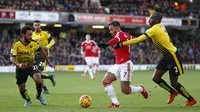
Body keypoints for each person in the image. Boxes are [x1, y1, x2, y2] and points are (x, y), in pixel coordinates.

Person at [113, 12, 197, 106]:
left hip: (173, 57)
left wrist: (122, 44)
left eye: (151, 18)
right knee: (156, 78)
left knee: (174, 83)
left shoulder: (154, 29)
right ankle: (173, 92)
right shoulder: (160, 27)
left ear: (156, 20)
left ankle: (191, 99)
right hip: (166, 57)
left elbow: (139, 39)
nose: (149, 20)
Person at [98, 21, 148, 108]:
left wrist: (107, 44)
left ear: (117, 28)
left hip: (126, 65)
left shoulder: (120, 34)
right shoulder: (126, 35)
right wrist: (142, 39)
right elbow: (136, 39)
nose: (110, 32)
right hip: (117, 65)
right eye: (109, 30)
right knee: (106, 81)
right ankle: (115, 103)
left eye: (111, 30)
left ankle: (140, 89)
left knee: (125, 90)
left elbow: (116, 40)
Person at [10, 25, 55, 106]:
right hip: (21, 68)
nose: (31, 36)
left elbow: (42, 52)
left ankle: (39, 95)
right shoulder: (16, 44)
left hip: (32, 65)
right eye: (29, 35)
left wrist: (48, 62)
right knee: (21, 88)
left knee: (39, 80)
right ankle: (28, 99)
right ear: (23, 35)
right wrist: (18, 64)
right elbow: (12, 58)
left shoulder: (34, 43)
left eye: (31, 34)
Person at [32, 20, 56, 94]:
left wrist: (47, 46)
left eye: (38, 25)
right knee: (35, 74)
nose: (37, 26)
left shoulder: (45, 33)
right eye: (35, 25)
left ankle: (45, 88)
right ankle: (49, 79)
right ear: (33, 26)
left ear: (40, 26)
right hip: (35, 55)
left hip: (43, 55)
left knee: (38, 73)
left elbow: (52, 41)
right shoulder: (32, 35)